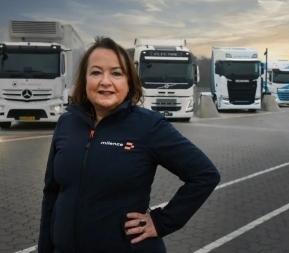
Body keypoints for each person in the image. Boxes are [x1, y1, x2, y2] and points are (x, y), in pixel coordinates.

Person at [38, 36, 220, 253]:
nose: (105, 81)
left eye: (116, 73)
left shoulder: (149, 126)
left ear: (129, 82)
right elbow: (51, 194)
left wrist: (162, 222)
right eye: (96, 72)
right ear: (85, 80)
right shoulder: (67, 123)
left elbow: (205, 175)